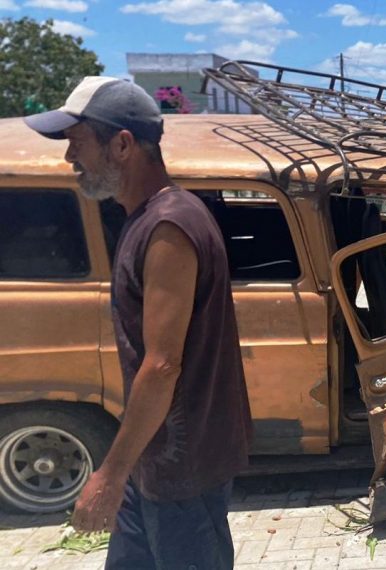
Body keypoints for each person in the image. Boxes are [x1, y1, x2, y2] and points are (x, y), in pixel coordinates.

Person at [24, 77, 252, 568]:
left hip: (181, 470)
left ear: (122, 144)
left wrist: (108, 474)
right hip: (154, 462)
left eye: (77, 143)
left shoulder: (169, 226)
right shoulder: (145, 219)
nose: (70, 159)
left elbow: (163, 364)